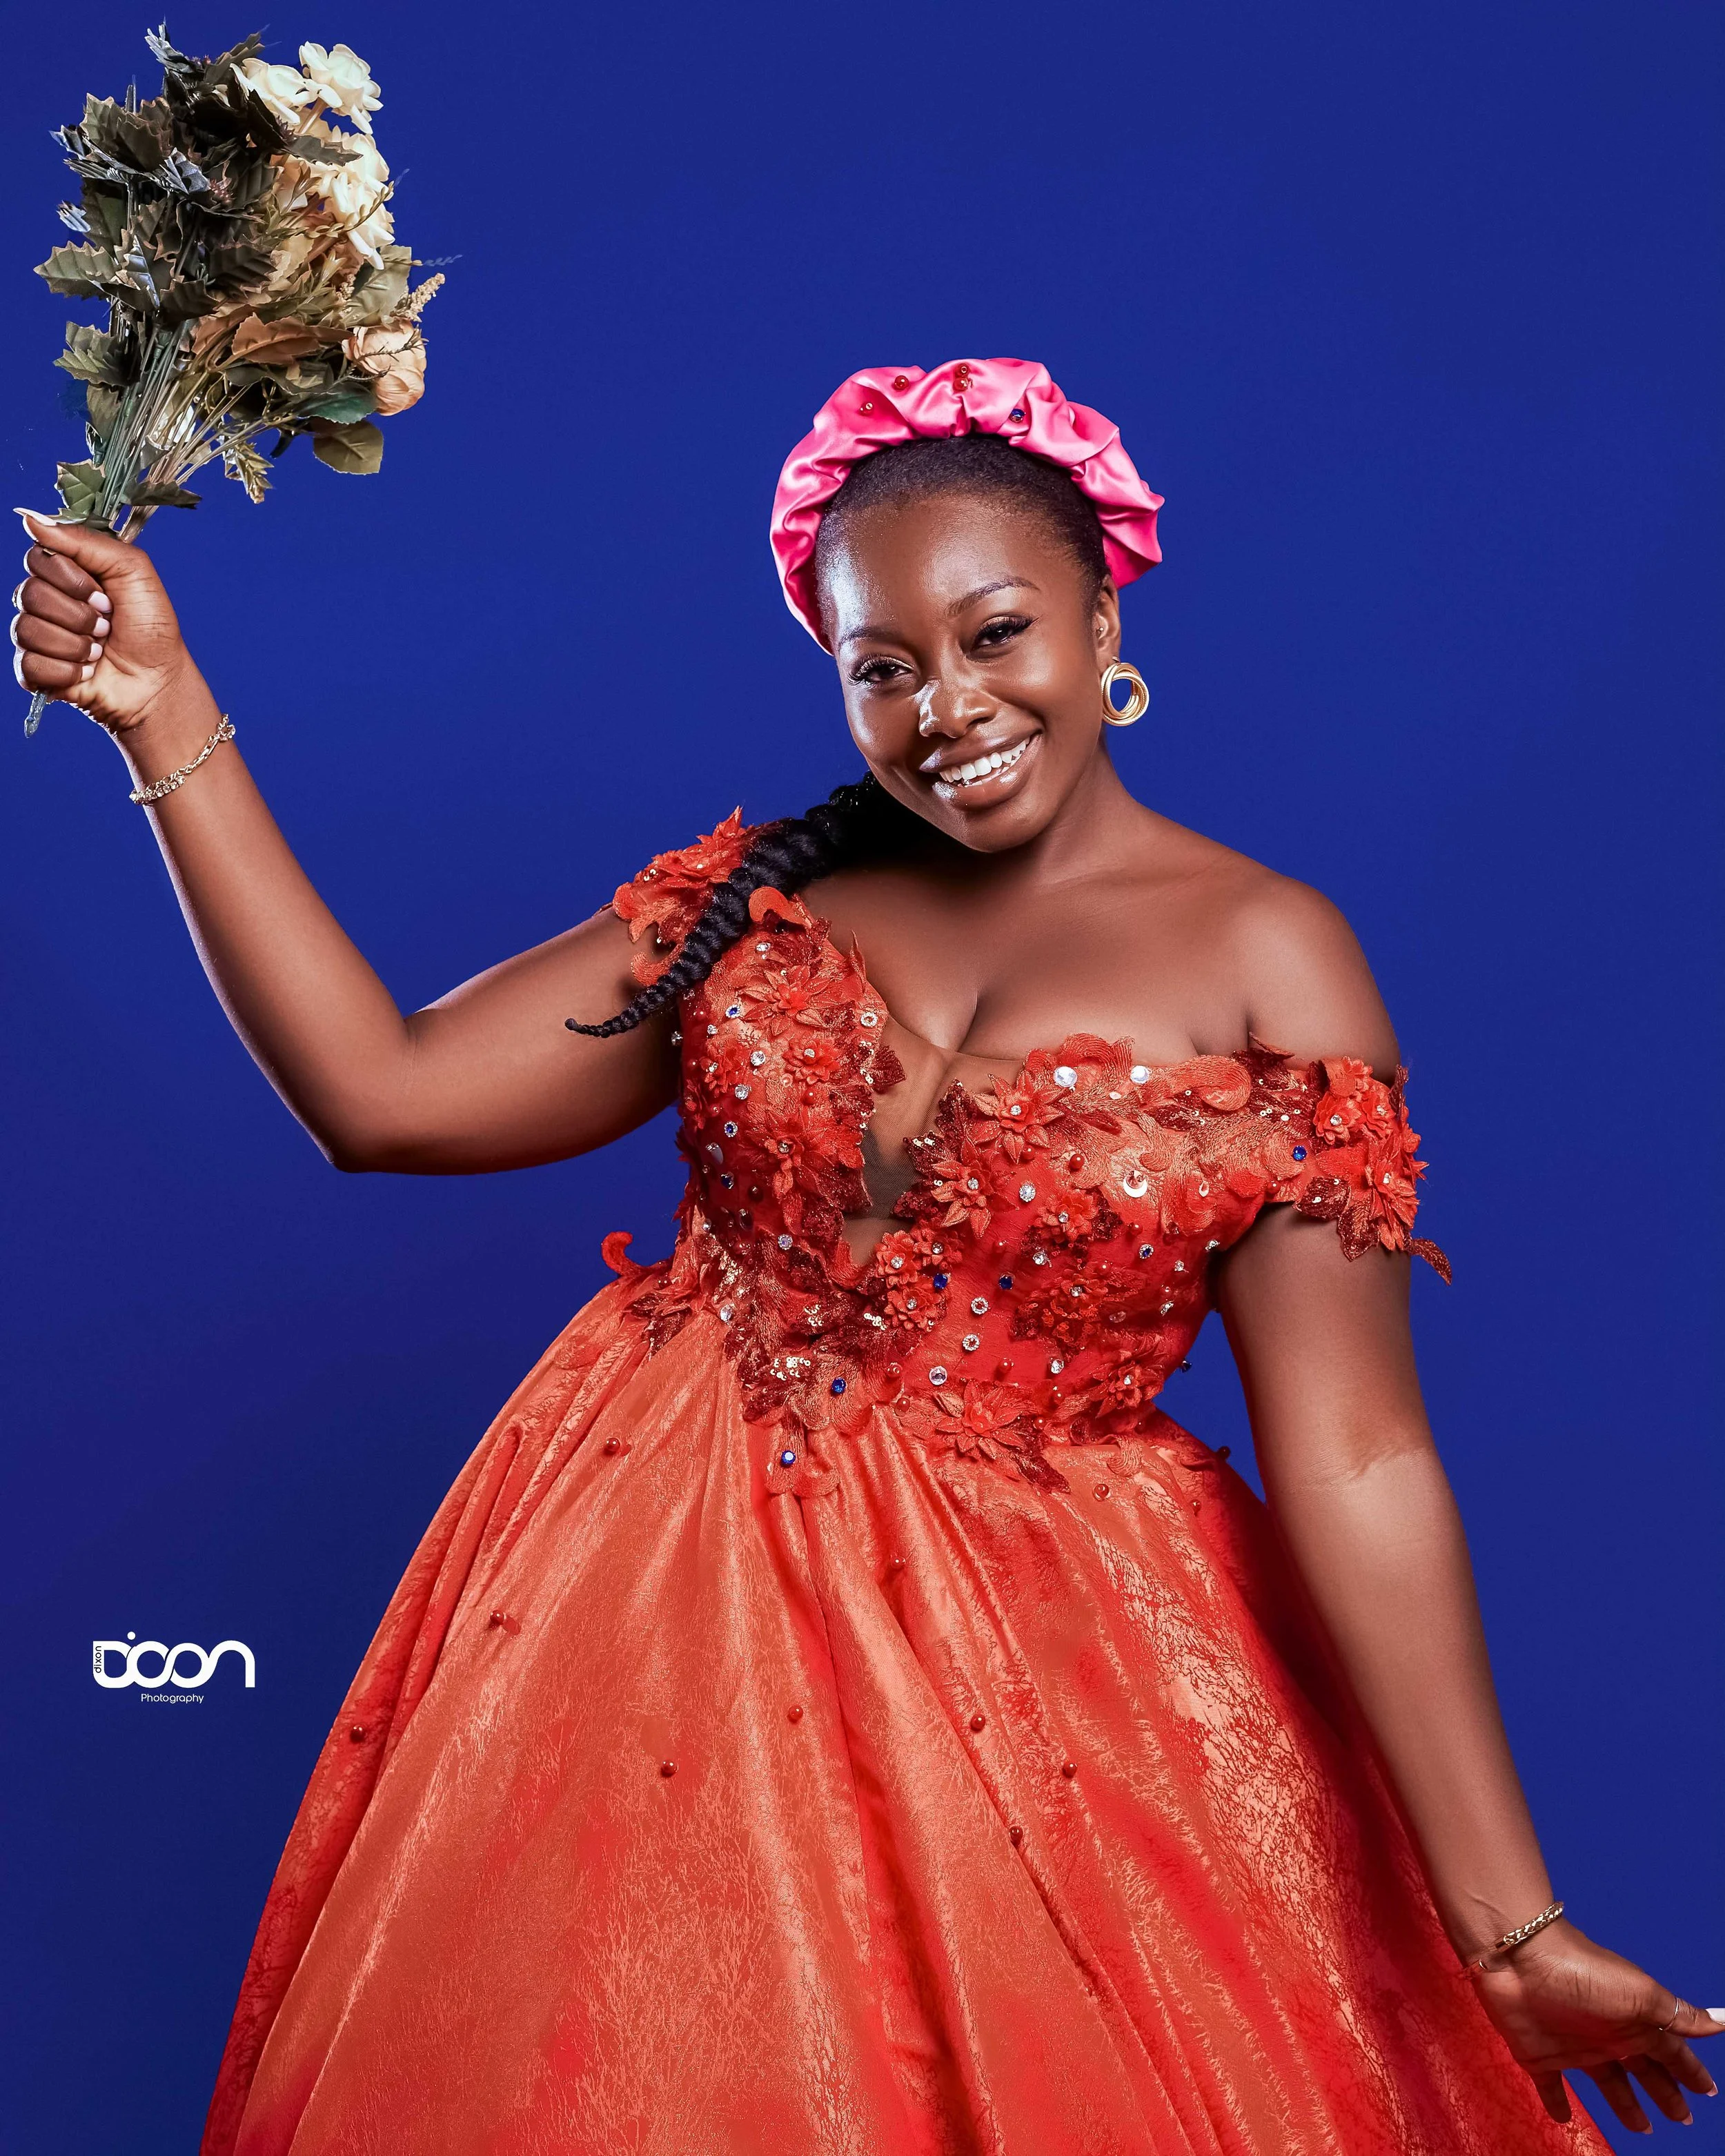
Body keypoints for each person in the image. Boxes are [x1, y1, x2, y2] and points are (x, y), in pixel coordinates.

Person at [12, 357, 1718, 2155]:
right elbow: (385, 1092)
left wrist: (1503, 1920)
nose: (946, 708)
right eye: (880, 666)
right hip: (655, 1612)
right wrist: (160, 709)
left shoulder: (1267, 952)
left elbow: (1357, 1454)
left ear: (1102, 611)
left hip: (1057, 1685)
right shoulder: (754, 901)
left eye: (994, 636)